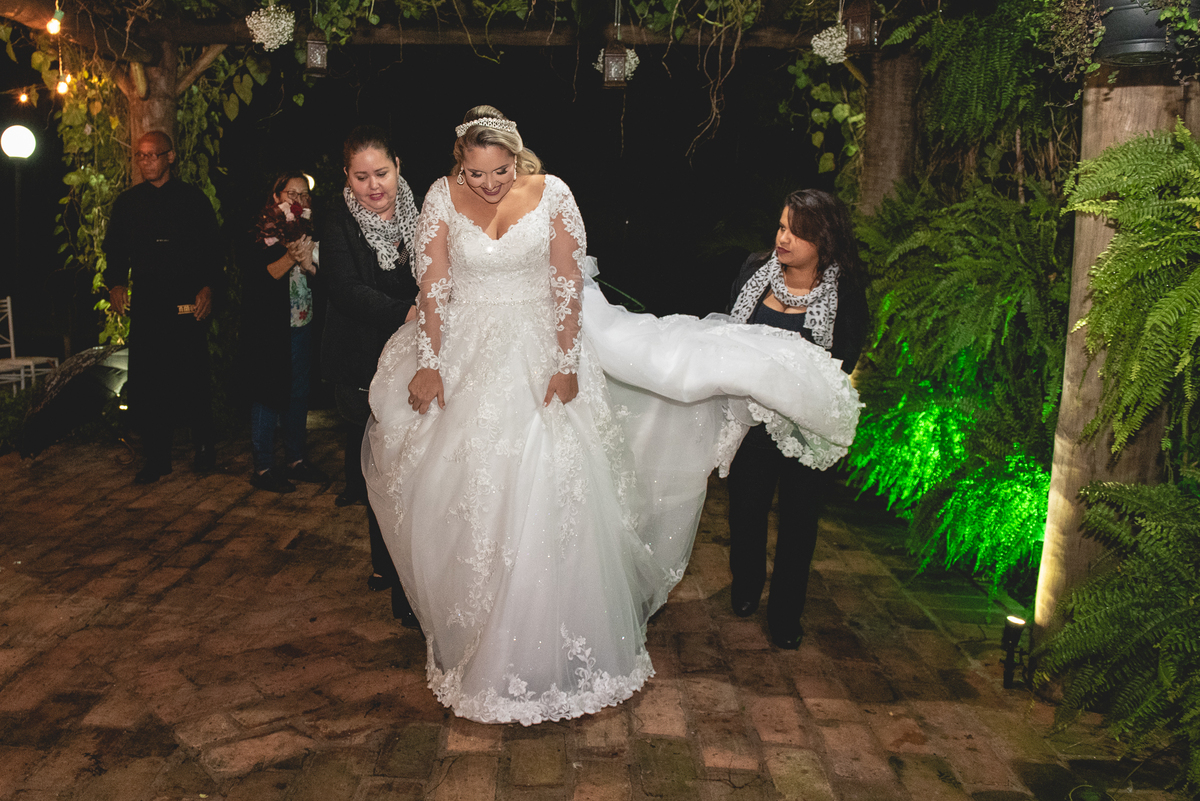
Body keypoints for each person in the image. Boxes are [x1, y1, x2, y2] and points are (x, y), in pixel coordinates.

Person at [364, 106, 863, 725]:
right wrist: (431, 362)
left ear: (517, 158)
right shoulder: (440, 198)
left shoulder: (553, 195)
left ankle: (551, 645)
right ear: (457, 163)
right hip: (469, 356)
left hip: (542, 350)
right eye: (475, 172)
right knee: (472, 493)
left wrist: (567, 360)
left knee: (549, 486)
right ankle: (479, 633)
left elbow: (569, 284)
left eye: (499, 171)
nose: (489, 184)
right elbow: (435, 286)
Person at [725, 189, 870, 649]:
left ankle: (786, 613)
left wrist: (795, 387)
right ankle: (746, 587)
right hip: (753, 419)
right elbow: (731, 336)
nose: (783, 238)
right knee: (744, 509)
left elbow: (844, 357)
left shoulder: (844, 289)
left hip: (807, 425)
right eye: (782, 226)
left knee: (799, 521)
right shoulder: (754, 270)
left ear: (823, 241)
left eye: (796, 232)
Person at [320, 126, 419, 620]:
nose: (373, 185)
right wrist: (409, 313)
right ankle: (386, 562)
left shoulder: (420, 215)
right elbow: (344, 289)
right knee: (377, 468)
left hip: (416, 363)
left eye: (381, 173)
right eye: (361, 177)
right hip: (361, 360)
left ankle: (412, 565)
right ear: (347, 177)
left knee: (412, 467)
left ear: (398, 165)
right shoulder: (338, 223)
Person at [105, 131, 222, 484]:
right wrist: (116, 284)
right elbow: (114, 252)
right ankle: (157, 458)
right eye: (140, 156)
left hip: (186, 306)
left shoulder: (193, 200)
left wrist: (208, 288)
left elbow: (213, 251)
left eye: (153, 155)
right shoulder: (127, 203)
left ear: (170, 157)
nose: (146, 162)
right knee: (150, 381)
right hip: (147, 307)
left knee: (193, 377)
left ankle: (204, 447)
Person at [238, 170, 328, 493]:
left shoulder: (308, 229)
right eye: (293, 194)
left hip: (302, 321)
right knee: (268, 392)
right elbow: (267, 274)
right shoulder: (263, 231)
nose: (300, 201)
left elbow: (319, 275)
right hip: (270, 328)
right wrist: (293, 254)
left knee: (299, 391)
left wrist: (309, 262)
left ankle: (296, 459)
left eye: (305, 195)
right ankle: (262, 467)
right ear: (277, 197)